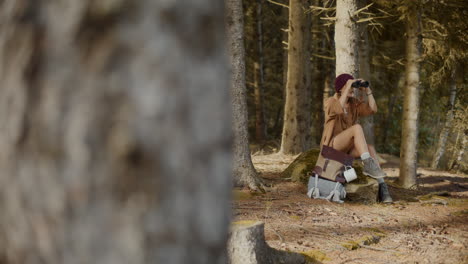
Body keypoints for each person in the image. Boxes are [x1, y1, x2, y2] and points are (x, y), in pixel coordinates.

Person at [320, 73, 393, 203]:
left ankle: (383, 187)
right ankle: (368, 165)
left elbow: (373, 109)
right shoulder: (330, 102)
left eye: (353, 86)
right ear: (341, 88)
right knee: (357, 128)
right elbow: (337, 108)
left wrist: (368, 91)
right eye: (349, 86)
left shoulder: (353, 104)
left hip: (346, 149)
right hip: (331, 147)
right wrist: (348, 86)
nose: (352, 89)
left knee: (370, 148)